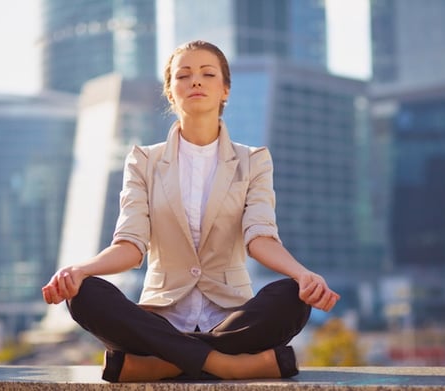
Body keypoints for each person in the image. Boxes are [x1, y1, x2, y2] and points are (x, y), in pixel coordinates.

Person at [42, 40, 340, 383]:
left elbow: (260, 237)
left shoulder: (253, 160)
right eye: (183, 75)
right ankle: (227, 364)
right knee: (84, 294)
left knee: (292, 296)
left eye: (207, 73)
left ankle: (163, 363)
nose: (195, 81)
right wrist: (80, 270)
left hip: (232, 317)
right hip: (158, 320)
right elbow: (130, 245)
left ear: (224, 89)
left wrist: (304, 275)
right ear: (170, 92)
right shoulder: (144, 160)